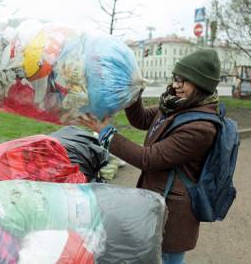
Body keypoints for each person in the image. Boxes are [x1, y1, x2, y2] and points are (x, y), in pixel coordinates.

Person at [78, 48, 221, 264]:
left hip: (173, 213)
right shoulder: (175, 105)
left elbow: (149, 159)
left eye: (184, 81)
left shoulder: (201, 127)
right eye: (176, 78)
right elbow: (142, 119)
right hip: (156, 200)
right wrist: (135, 92)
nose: (176, 85)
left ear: (201, 85)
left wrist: (106, 132)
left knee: (167, 258)